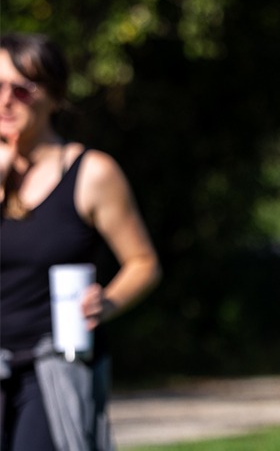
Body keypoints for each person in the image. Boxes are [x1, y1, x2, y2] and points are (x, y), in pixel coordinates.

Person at [0, 33, 161, 451]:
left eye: (20, 89)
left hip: (56, 364)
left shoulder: (92, 173)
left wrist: (105, 302)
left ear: (54, 96)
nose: (5, 101)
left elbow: (143, 262)